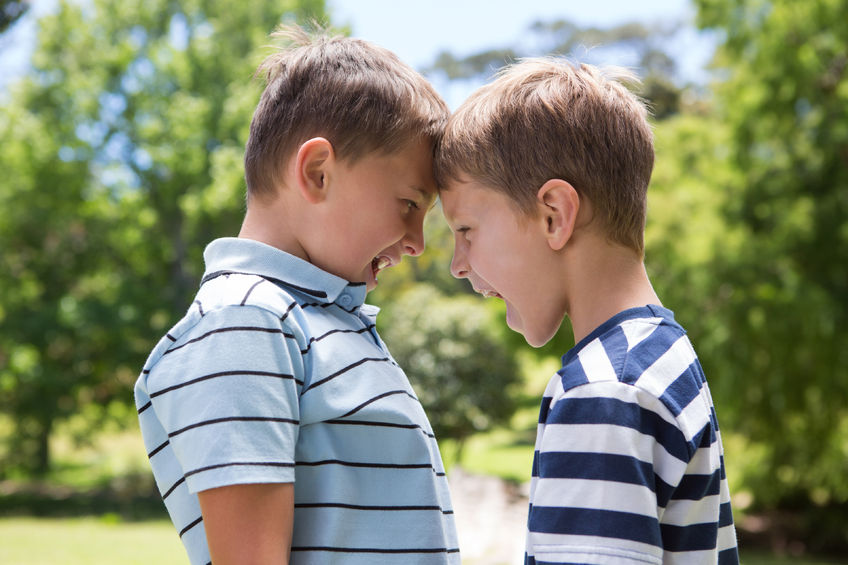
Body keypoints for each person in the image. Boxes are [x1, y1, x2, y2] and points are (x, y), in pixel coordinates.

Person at [134, 25, 459, 565]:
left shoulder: (317, 318)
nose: (418, 243)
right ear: (317, 173)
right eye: (408, 203)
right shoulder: (243, 324)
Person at [435, 58, 739, 564]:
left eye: (465, 230)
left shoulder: (603, 392)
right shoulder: (661, 355)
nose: (456, 266)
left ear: (554, 215)